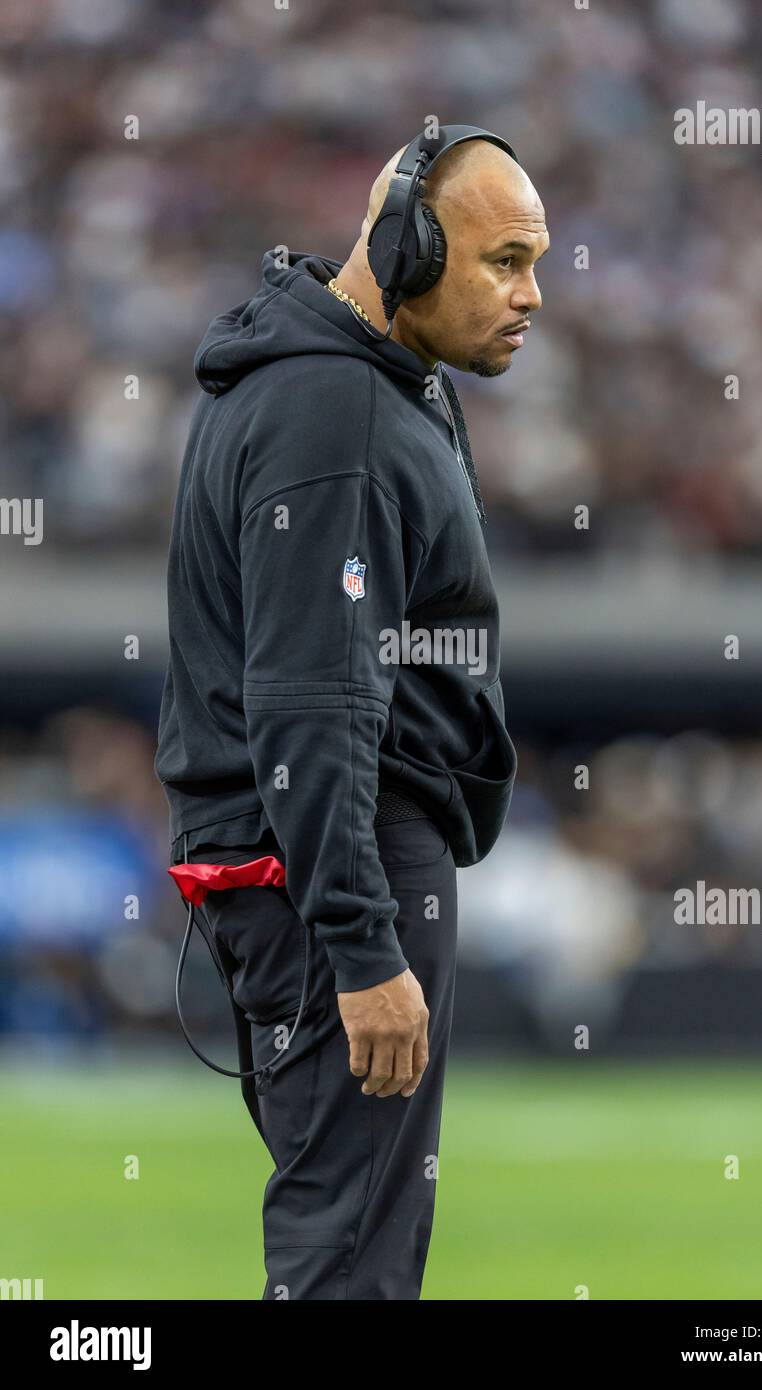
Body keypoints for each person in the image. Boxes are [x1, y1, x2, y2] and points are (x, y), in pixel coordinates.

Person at [154, 125, 548, 1299]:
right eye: (503, 260)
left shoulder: (348, 382)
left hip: (316, 856)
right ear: (407, 247)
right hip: (345, 853)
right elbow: (309, 704)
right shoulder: (341, 414)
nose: (530, 296)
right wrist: (363, 945)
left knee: (348, 1231)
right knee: (350, 1259)